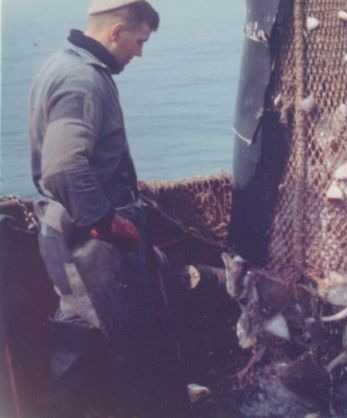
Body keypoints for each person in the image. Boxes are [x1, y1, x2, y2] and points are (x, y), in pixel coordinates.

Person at [29, 1, 193, 416]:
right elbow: (64, 167)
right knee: (112, 346)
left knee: (81, 331)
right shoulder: (83, 80)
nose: (139, 52)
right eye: (139, 41)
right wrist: (107, 221)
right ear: (117, 31)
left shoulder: (60, 63)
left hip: (66, 231)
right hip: (88, 240)